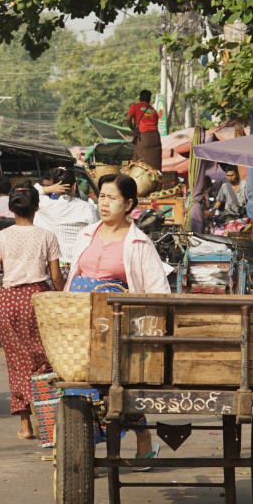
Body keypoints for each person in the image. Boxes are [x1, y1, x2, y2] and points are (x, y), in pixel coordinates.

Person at [65, 173, 172, 465]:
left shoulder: (139, 242)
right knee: (78, 385)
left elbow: (158, 292)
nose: (104, 203)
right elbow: (73, 275)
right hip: (81, 323)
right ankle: (82, 453)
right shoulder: (86, 233)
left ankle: (143, 438)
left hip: (120, 327)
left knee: (118, 387)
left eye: (112, 198)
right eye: (101, 196)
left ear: (128, 204)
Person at [0, 184, 63, 440]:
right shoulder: (47, 236)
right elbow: (56, 276)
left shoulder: (1, 237)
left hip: (10, 300)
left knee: (17, 363)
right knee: (44, 359)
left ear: (11, 208)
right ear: (37, 207)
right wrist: (63, 299)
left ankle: (26, 426)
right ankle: (48, 421)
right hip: (39, 299)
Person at [34, 165, 99, 272]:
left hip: (53, 267)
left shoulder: (45, 205)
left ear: (55, 187)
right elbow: (95, 235)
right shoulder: (87, 207)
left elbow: (29, 191)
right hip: (79, 266)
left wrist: (50, 189)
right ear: (74, 186)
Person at [126, 89, 162, 171]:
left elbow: (128, 118)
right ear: (149, 100)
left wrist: (132, 128)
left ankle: (140, 182)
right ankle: (156, 180)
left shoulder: (135, 106)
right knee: (155, 164)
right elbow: (155, 124)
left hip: (144, 137)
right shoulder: (153, 111)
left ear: (139, 98)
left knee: (139, 163)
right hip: (155, 137)